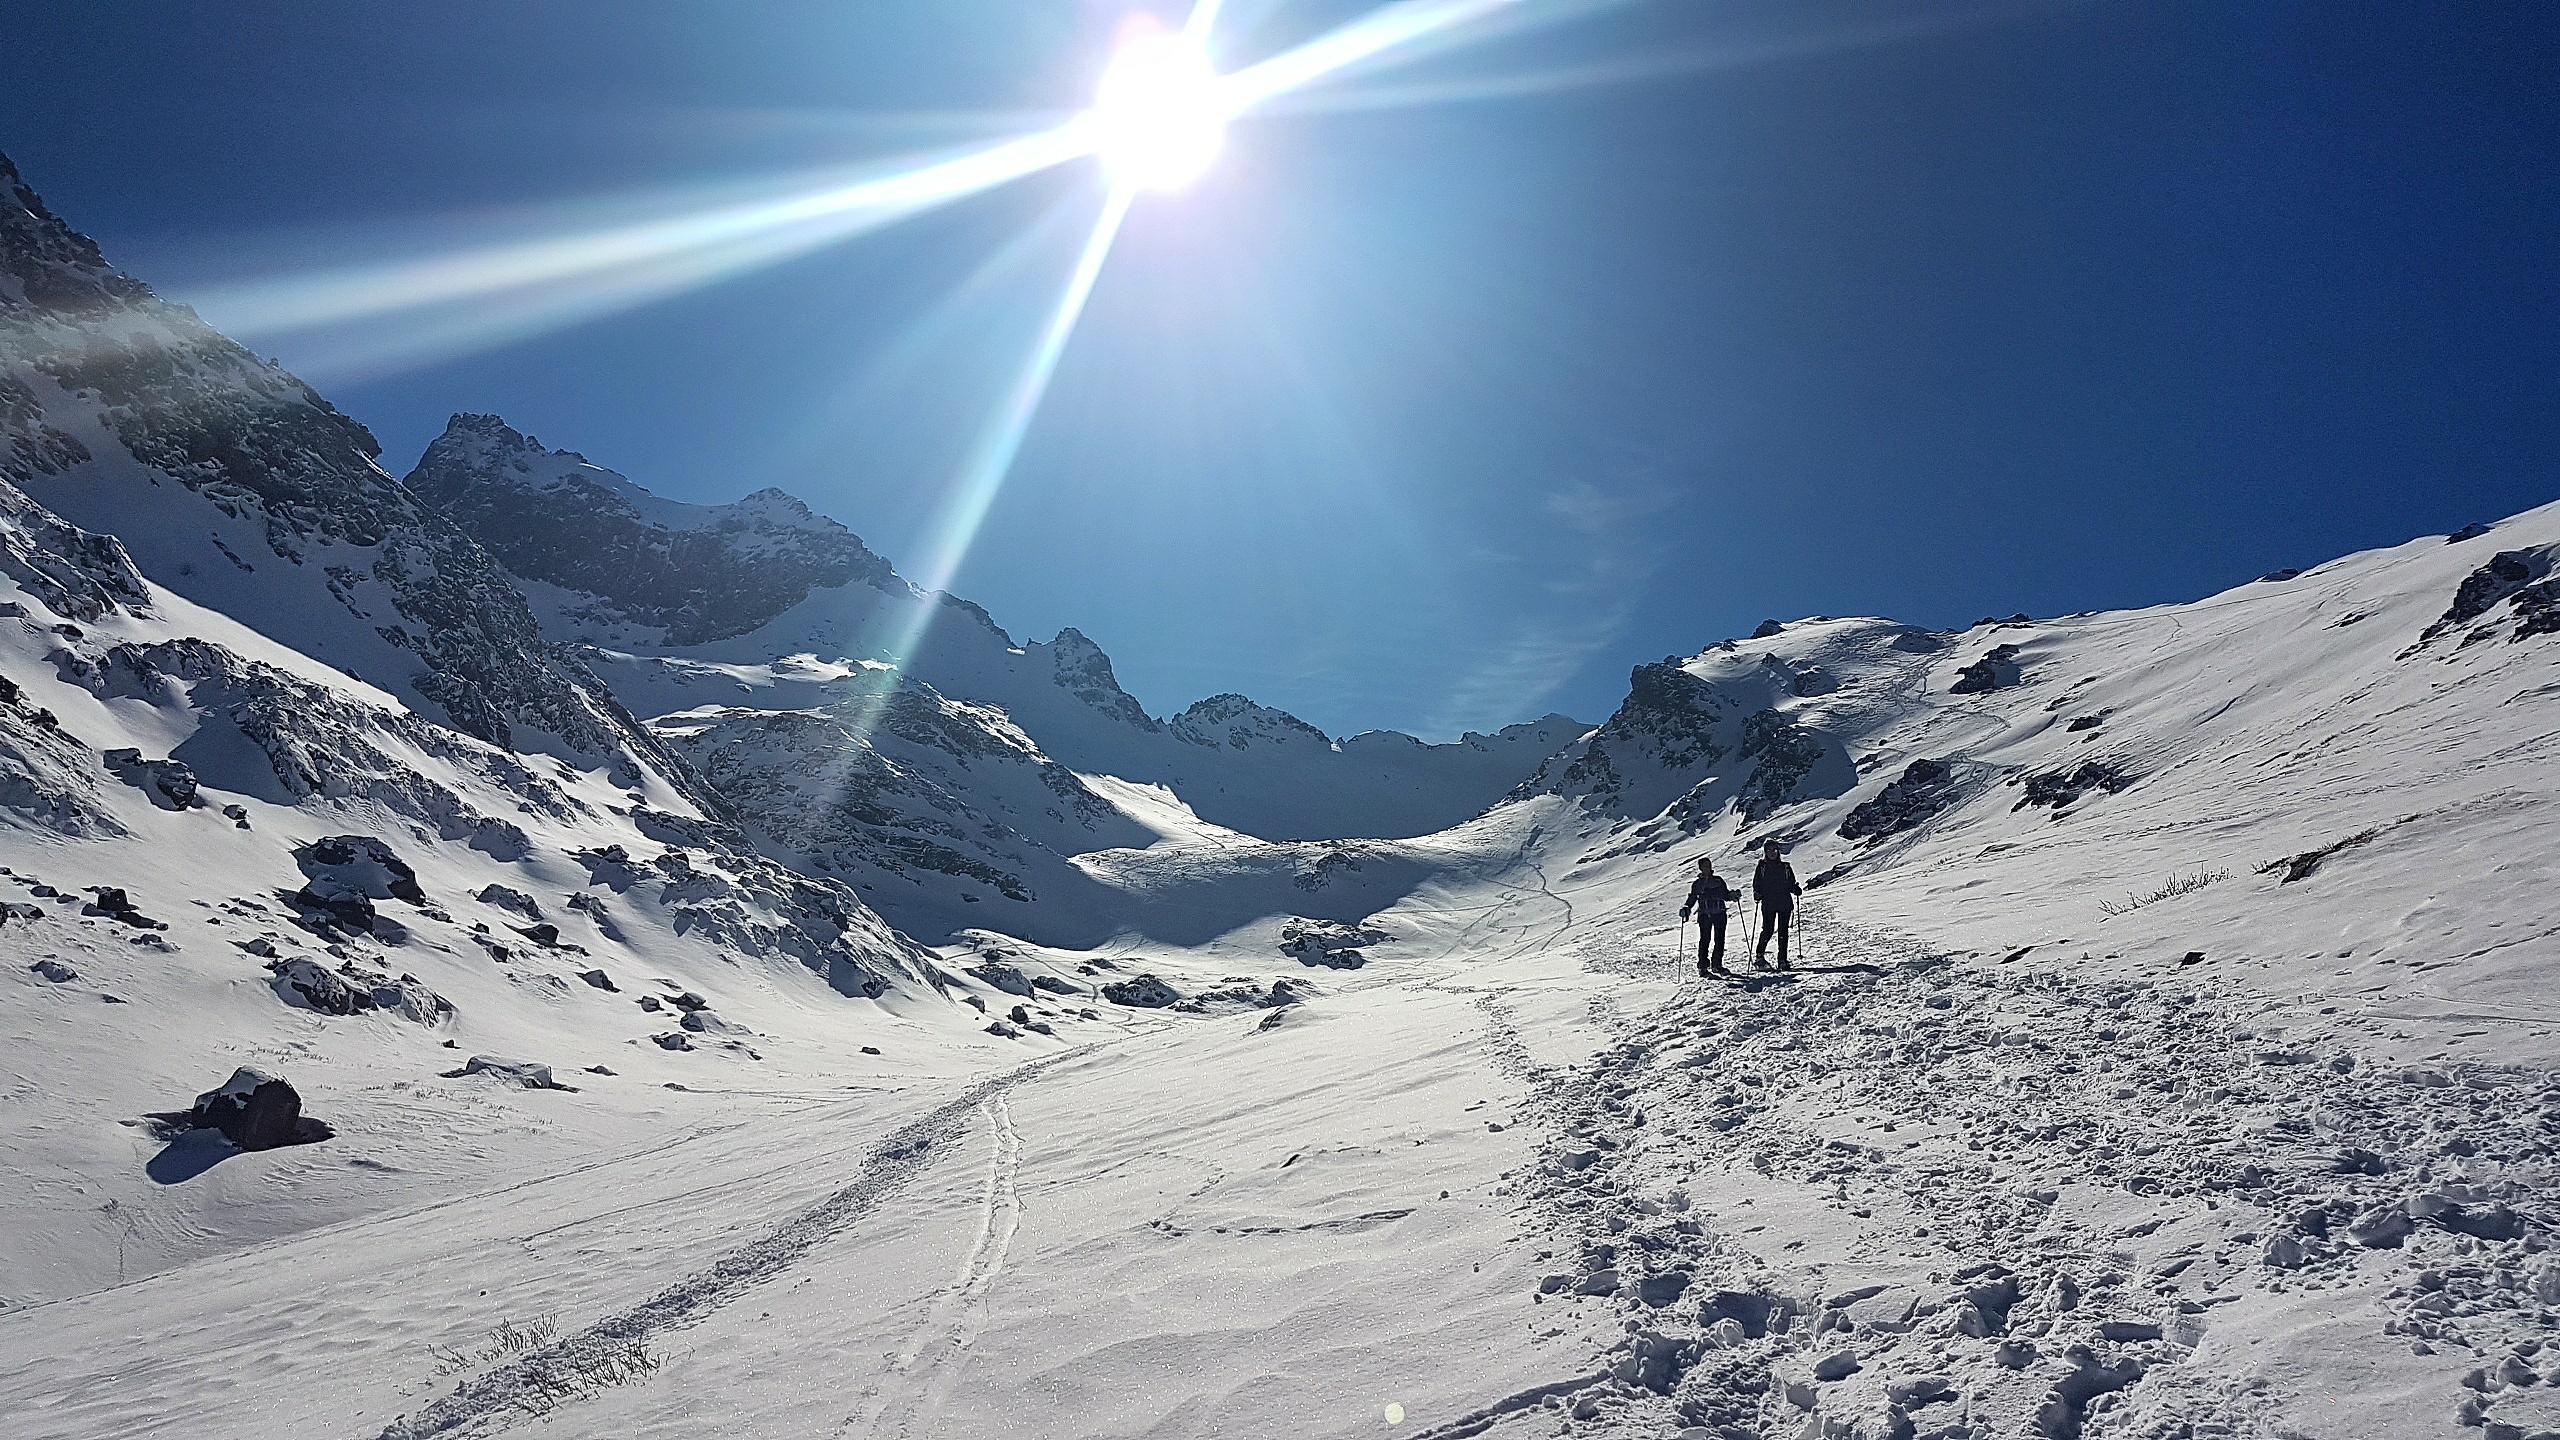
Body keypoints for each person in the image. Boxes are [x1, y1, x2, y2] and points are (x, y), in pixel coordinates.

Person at [1678, 856, 1736, 978]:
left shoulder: (1717, 881)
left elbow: (1725, 895)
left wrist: (1732, 895)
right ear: (1700, 868)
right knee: (1706, 940)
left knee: (1718, 940)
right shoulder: (1700, 884)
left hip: (1716, 913)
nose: (1707, 868)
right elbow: (1693, 898)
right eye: (1705, 866)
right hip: (1707, 914)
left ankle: (1716, 965)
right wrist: (1687, 907)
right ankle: (1704, 966)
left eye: (1708, 865)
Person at [1752, 839, 1800, 971]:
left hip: (1781, 902)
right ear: (1765, 852)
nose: (1772, 853)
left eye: (1774, 850)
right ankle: (1761, 956)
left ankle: (1781, 959)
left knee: (1782, 931)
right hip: (1770, 902)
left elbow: (1791, 883)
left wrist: (1795, 889)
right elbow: (1757, 883)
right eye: (1769, 850)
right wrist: (1757, 892)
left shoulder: (1785, 867)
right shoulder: (1762, 867)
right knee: (1768, 930)